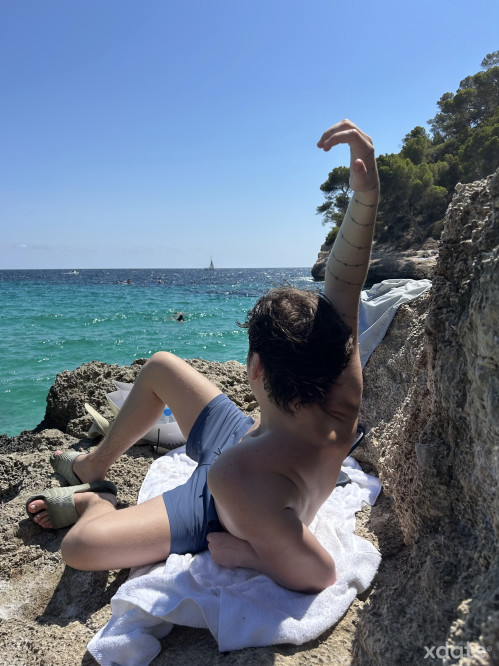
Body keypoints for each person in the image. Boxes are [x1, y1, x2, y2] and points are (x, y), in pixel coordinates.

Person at [26, 119, 379, 594]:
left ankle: (96, 500)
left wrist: (247, 555)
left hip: (227, 500)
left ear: (256, 369)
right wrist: (365, 196)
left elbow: (320, 574)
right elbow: (346, 282)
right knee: (161, 366)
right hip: (246, 440)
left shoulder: (234, 476)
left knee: (79, 547)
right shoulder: (342, 399)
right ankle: (94, 465)